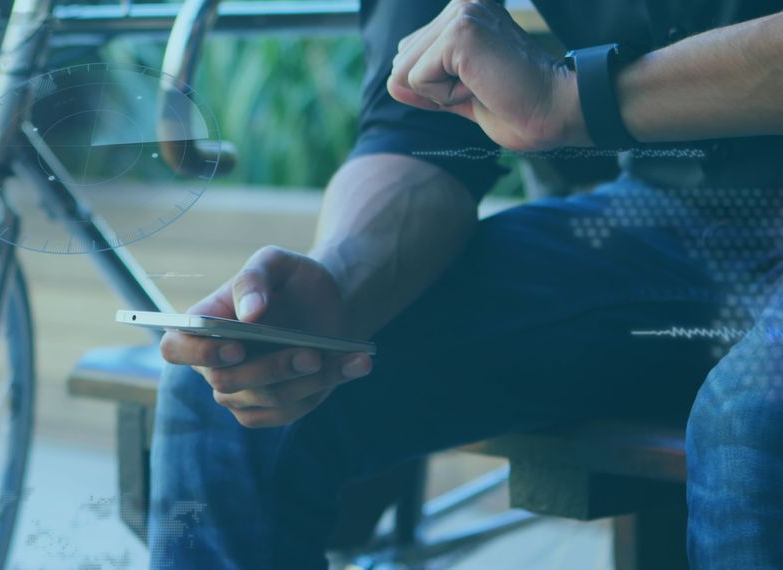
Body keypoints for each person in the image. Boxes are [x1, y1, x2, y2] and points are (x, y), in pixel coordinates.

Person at [148, 0, 783, 567]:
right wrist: (342, 282)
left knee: (754, 417)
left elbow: (556, 101)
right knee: (247, 370)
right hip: (663, 219)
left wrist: (576, 98)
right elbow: (421, 128)